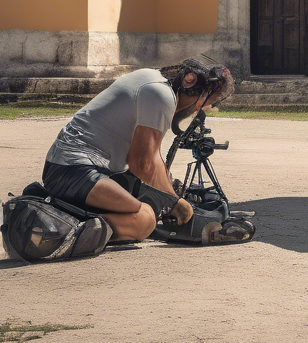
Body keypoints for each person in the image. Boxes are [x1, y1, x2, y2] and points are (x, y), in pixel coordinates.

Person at [40, 59, 233, 242]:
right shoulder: (161, 94)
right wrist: (175, 202)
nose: (204, 107)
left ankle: (62, 211)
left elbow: (151, 157)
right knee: (143, 220)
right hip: (72, 169)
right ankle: (53, 229)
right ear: (190, 81)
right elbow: (142, 163)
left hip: (71, 165)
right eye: (206, 101)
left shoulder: (152, 78)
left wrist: (170, 193)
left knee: (152, 201)